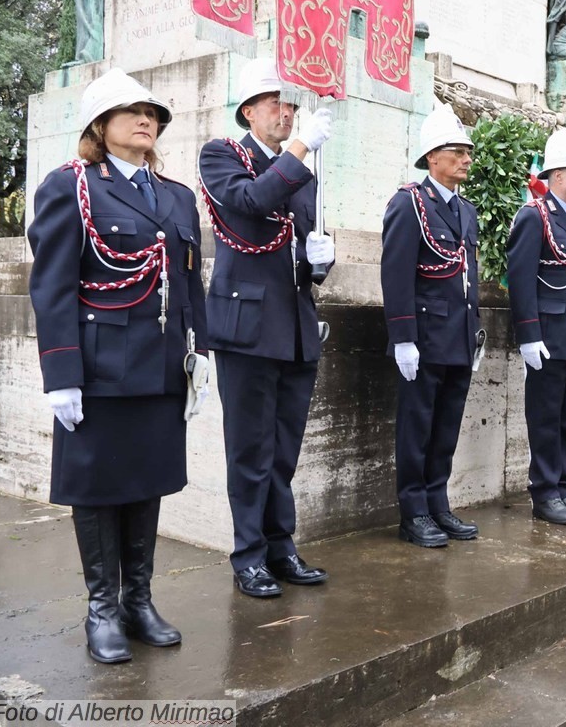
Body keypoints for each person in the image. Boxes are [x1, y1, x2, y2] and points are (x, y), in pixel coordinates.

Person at [29, 68, 208, 663]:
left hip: (159, 365)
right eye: (131, 111)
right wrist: (61, 376)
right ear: (100, 127)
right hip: (101, 367)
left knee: (147, 482)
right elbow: (53, 287)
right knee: (100, 487)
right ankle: (102, 607)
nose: (145, 119)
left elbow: (188, 284)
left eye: (152, 112)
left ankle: (139, 600)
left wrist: (198, 355)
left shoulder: (178, 197)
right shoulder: (74, 186)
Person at [198, 58, 336, 597]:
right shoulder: (221, 156)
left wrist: (320, 260)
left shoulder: (304, 172)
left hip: (296, 326)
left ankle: (281, 546)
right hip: (249, 327)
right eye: (276, 103)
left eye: (292, 105)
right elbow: (251, 204)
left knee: (283, 450)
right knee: (250, 450)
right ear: (248, 111)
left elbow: (298, 245)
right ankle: (248, 553)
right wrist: (301, 151)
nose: (287, 113)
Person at [381, 104, 482, 547]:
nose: (465, 159)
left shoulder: (466, 210)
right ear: (432, 156)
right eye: (456, 151)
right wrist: (403, 338)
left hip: (458, 337)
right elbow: (396, 274)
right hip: (424, 339)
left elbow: (467, 277)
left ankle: (438, 503)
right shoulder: (409, 204)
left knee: (446, 428)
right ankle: (414, 511)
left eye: (468, 152)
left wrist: (474, 331)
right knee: (417, 428)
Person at [507, 128, 566, 525]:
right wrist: (528, 336)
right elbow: (521, 278)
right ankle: (544, 492)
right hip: (548, 336)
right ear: (558, 176)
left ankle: (562, 487)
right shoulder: (534, 217)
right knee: (545, 417)